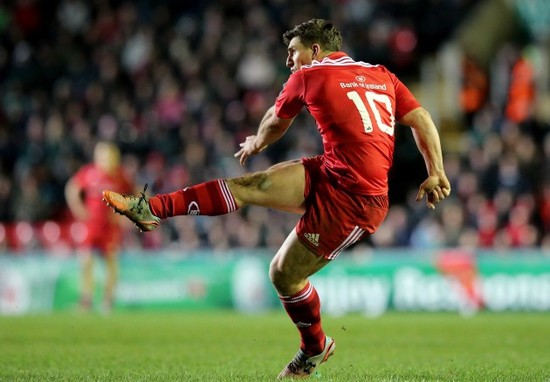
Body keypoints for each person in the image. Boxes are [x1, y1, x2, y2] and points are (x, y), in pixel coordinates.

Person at [103, 19, 451, 378]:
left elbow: (275, 121)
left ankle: (314, 349)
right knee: (252, 186)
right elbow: (421, 118)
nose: (288, 61)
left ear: (314, 51)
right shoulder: (381, 74)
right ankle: (151, 208)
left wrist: (257, 142)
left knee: (283, 274)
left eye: (292, 52)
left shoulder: (309, 74)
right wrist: (436, 170)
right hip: (332, 171)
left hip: (356, 200)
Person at [65, 141, 133, 314]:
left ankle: (108, 301)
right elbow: (72, 189)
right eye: (102, 155)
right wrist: (78, 209)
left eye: (109, 155)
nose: (105, 159)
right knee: (86, 261)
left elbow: (137, 195)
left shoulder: (120, 176)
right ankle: (86, 301)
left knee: (111, 264)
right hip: (91, 226)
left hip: (110, 227)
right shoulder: (88, 173)